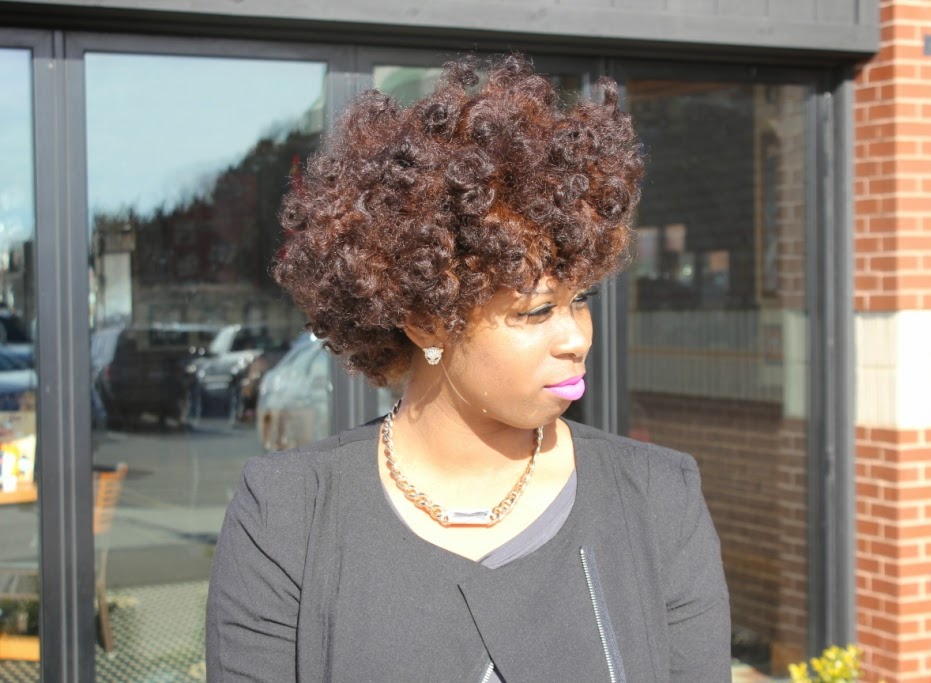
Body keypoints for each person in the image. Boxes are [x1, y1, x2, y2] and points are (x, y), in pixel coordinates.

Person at [205, 53, 730, 682]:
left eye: (581, 300)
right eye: (537, 311)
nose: (576, 338)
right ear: (426, 321)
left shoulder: (657, 498)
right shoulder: (288, 513)